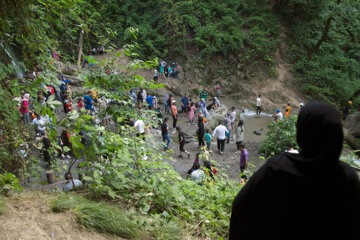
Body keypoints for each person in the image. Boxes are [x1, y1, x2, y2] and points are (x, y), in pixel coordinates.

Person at [229, 101, 360, 240]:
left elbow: (241, 207)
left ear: (303, 132)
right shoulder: (347, 178)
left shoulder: (277, 169)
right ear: (337, 135)